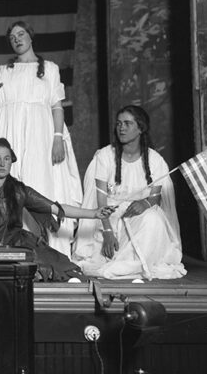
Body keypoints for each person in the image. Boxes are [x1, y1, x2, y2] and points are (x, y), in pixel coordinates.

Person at [0, 20, 82, 257]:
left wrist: (58, 138)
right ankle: (17, 248)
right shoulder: (5, 70)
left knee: (40, 182)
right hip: (11, 132)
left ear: (30, 36)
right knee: (14, 185)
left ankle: (50, 250)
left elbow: (56, 106)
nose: (17, 38)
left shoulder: (50, 68)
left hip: (41, 135)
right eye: (12, 36)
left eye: (21, 33)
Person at [0, 138, 115, 282]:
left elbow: (56, 208)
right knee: (18, 272)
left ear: (11, 162)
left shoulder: (19, 190)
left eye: (7, 158)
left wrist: (94, 213)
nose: (2, 163)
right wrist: (6, 257)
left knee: (64, 268)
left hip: (19, 244)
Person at [72, 105, 186, 280]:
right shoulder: (105, 156)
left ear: (140, 128)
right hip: (109, 216)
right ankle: (122, 263)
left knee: (154, 218)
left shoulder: (155, 160)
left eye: (127, 123)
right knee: (103, 246)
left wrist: (145, 203)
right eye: (118, 124)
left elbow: (155, 198)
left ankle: (133, 265)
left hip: (138, 216)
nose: (121, 128)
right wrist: (107, 232)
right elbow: (100, 200)